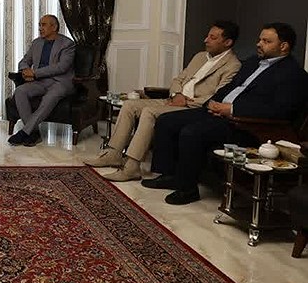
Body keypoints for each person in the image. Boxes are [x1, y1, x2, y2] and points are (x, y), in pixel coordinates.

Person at [143, 22, 308, 205]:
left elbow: (280, 110)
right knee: (166, 121)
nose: (259, 44)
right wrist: (212, 102)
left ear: (283, 46)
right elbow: (231, 86)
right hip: (219, 111)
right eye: (260, 39)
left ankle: (187, 189)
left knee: (192, 132)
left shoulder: (293, 74)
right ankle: (169, 175)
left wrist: (231, 110)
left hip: (244, 124)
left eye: (266, 41)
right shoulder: (252, 62)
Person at [84, 21, 242, 181]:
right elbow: (178, 80)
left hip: (192, 108)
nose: (206, 40)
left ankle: (132, 166)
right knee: (130, 105)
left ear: (227, 42)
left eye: (213, 38)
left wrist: (186, 101)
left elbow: (218, 96)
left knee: (149, 112)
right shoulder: (200, 57)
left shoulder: (233, 66)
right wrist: (177, 94)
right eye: (207, 35)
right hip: (173, 99)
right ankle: (113, 154)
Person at [7, 15, 76, 146]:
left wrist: (34, 73)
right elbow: (24, 61)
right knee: (20, 91)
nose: (40, 28)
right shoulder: (36, 43)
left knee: (50, 97)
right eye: (39, 25)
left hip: (59, 82)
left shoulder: (67, 44)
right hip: (40, 81)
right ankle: (33, 132)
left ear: (54, 27)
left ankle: (25, 132)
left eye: (43, 25)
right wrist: (25, 70)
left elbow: (62, 67)